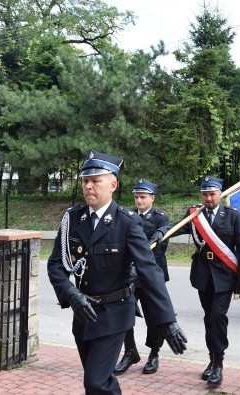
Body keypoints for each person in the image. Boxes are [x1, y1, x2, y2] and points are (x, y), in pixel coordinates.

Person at [47, 151, 187, 394]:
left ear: (113, 184)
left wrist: (167, 319)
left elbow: (149, 270)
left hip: (114, 314)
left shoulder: (127, 222)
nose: (88, 186)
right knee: (101, 383)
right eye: (85, 181)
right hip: (83, 314)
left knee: (95, 382)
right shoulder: (73, 218)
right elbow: (55, 265)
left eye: (96, 180)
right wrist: (71, 294)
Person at [165, 175, 240, 388]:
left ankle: (218, 364)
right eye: (205, 194)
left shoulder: (232, 216)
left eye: (212, 194)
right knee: (208, 317)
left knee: (218, 317)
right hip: (203, 275)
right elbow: (175, 229)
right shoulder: (194, 215)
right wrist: (159, 233)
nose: (208, 198)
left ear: (220, 194)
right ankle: (211, 360)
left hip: (224, 276)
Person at [113, 179, 170, 375]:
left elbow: (159, 247)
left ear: (152, 198)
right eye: (136, 197)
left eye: (143, 197)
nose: (139, 200)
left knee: (154, 317)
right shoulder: (127, 216)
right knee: (124, 313)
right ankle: (130, 351)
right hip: (128, 275)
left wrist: (161, 232)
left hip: (150, 276)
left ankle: (154, 354)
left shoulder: (161, 219)